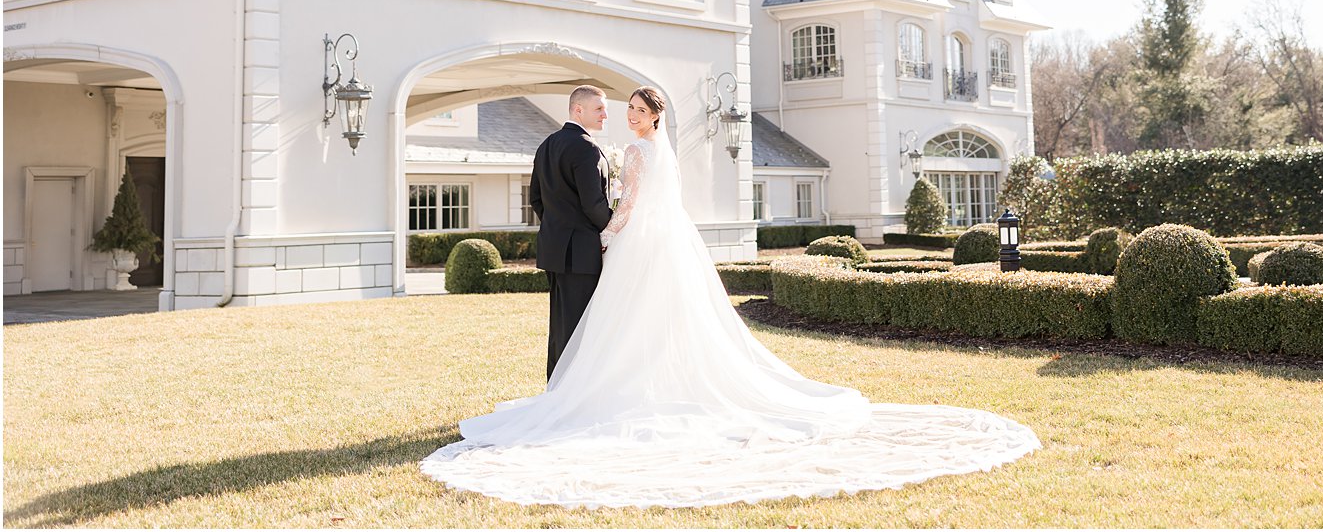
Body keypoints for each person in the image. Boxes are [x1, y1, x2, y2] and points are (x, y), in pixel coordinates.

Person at [421, 86, 1040, 509]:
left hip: (593, 245)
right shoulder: (623, 149)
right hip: (625, 242)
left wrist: (608, 229)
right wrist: (605, 228)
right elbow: (609, 203)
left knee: (592, 325)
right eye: (619, 107)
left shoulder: (583, 147)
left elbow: (570, 201)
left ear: (653, 115)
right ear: (591, 110)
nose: (624, 114)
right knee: (620, 322)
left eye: (635, 108)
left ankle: (575, 391)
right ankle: (583, 390)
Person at [526, 84, 612, 381]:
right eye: (599, 109)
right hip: (581, 252)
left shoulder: (547, 144)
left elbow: (536, 198)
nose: (605, 115)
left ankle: (557, 388)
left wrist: (557, 227)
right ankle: (573, 392)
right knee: (581, 327)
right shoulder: (587, 148)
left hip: (554, 249)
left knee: (561, 325)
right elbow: (594, 205)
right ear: (579, 110)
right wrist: (615, 230)